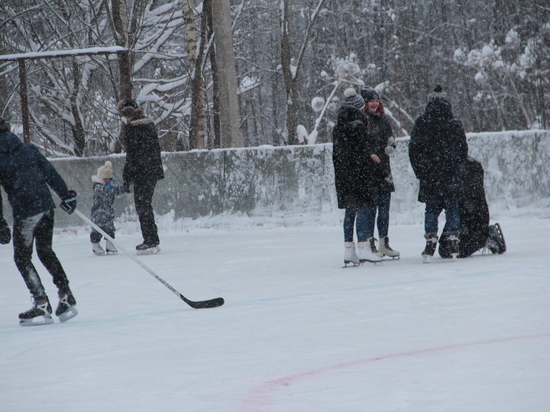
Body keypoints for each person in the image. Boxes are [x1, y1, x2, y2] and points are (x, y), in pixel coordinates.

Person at [0, 117, 78, 326]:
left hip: (26, 212)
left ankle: (41, 303)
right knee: (45, 251)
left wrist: (0, 223)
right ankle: (66, 295)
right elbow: (50, 173)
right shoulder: (28, 149)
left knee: (22, 258)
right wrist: (66, 194)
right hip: (46, 207)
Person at [409, 85, 469, 263]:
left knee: (431, 209)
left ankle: (430, 239)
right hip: (450, 174)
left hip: (430, 175)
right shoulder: (454, 123)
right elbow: (462, 150)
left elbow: (414, 150)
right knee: (452, 207)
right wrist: (458, 169)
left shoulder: (422, 122)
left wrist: (421, 172)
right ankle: (453, 240)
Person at [332, 88, 382, 266]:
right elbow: (360, 153)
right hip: (358, 175)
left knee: (350, 212)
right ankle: (363, 248)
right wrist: (369, 161)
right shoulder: (358, 125)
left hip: (344, 176)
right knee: (362, 210)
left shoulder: (339, 126)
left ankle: (349, 251)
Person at [117, 98, 164, 255]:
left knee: (142, 206)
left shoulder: (132, 129)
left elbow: (132, 156)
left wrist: (127, 178)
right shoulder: (149, 125)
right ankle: (153, 239)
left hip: (141, 173)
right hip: (152, 170)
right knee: (146, 205)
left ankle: (150, 240)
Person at [438, 156, 506, 258]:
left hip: (471, 216)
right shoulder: (454, 166)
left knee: (456, 251)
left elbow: (477, 202)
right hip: (461, 215)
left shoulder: (468, 168)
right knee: (445, 250)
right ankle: (482, 236)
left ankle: (487, 236)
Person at [360, 86, 400, 259]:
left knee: (384, 210)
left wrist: (391, 145)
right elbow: (359, 142)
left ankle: (384, 243)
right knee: (370, 210)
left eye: (377, 101)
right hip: (369, 173)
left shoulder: (383, 120)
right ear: (365, 103)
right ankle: (370, 243)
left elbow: (390, 137)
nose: (374, 104)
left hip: (384, 171)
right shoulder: (361, 120)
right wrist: (369, 153)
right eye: (371, 101)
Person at [90, 160, 126, 255]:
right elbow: (106, 191)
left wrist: (125, 187)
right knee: (98, 228)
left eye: (108, 178)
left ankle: (109, 244)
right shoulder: (98, 187)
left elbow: (115, 190)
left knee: (110, 228)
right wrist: (111, 188)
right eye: (104, 178)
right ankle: (95, 244)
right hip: (98, 210)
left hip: (108, 210)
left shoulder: (109, 187)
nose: (106, 180)